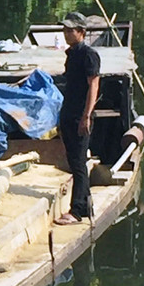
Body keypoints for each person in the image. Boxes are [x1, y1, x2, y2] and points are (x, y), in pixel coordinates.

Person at [55, 12, 101, 226]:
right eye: (64, 30)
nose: (65, 33)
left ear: (81, 32)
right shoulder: (71, 54)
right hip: (69, 112)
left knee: (79, 163)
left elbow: (94, 84)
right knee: (73, 160)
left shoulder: (88, 55)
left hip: (80, 115)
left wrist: (86, 116)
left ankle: (77, 211)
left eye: (70, 30)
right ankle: (85, 201)